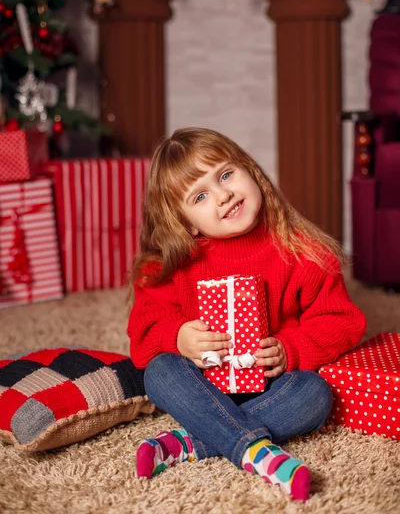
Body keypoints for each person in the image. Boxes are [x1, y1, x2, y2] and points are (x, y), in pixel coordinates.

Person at [127, 127, 366, 502]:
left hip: (273, 387)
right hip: (202, 383)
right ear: (187, 222)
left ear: (251, 171)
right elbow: (144, 333)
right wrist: (177, 336)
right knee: (159, 372)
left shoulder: (302, 251)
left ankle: (193, 441)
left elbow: (340, 321)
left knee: (316, 395)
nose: (223, 195)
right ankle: (257, 451)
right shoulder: (171, 266)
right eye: (201, 195)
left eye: (225, 175)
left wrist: (291, 349)